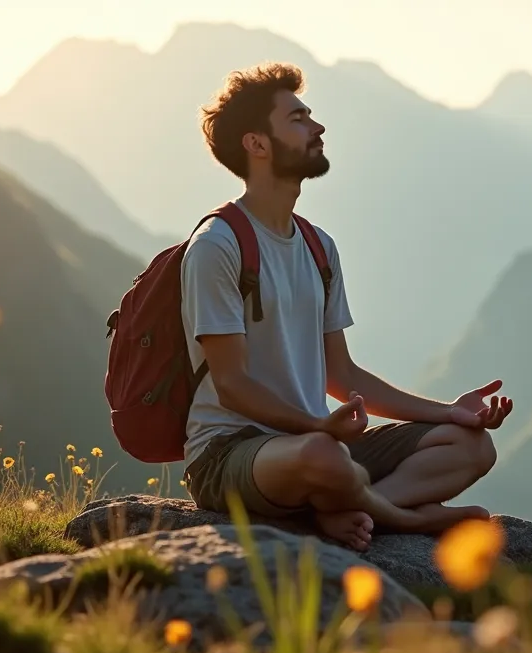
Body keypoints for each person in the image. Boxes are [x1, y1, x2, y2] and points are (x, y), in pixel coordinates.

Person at [180, 62, 514, 551]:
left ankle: (350, 510)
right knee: (322, 455)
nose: (317, 127)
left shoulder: (319, 248)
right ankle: (403, 517)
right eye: (297, 119)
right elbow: (231, 386)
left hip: (318, 448)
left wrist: (450, 413)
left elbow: (344, 377)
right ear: (257, 144)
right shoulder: (217, 246)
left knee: (472, 446)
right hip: (229, 454)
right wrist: (317, 426)